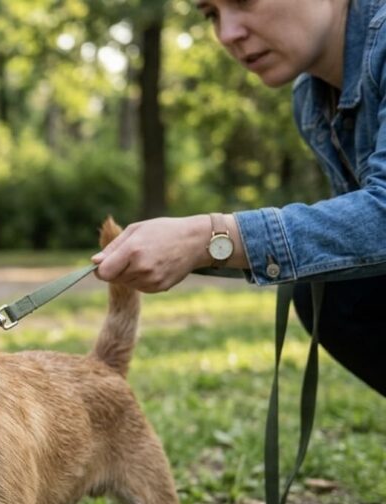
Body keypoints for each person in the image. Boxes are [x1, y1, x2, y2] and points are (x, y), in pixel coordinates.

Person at [92, 0, 386, 397]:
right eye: (211, 14)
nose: (227, 34)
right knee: (335, 296)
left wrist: (211, 237)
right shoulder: (312, 100)